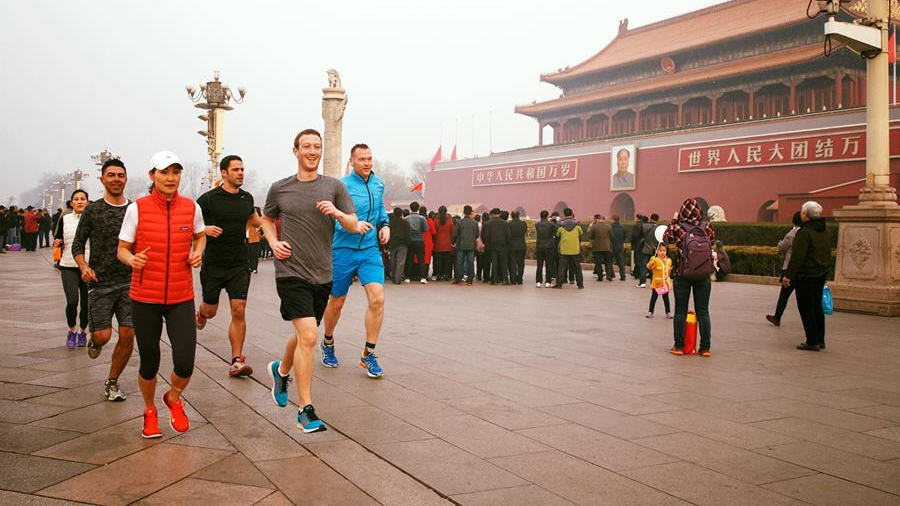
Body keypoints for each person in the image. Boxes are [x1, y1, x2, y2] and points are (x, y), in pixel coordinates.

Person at [263, 129, 360, 433]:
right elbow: (265, 217)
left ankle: (281, 371)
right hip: (291, 271)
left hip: (323, 273)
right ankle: (306, 410)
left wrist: (336, 212)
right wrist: (274, 241)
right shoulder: (280, 188)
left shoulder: (333, 186)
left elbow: (353, 223)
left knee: (305, 333)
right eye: (306, 146)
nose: (312, 151)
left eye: (317, 147)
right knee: (308, 336)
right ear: (295, 151)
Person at [117, 151, 206, 438]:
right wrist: (132, 261)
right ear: (152, 175)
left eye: (176, 172)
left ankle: (174, 397)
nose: (170, 178)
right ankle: (149, 411)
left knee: (184, 361)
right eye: (164, 172)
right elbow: (122, 249)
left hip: (181, 295)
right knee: (150, 361)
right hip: (145, 297)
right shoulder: (137, 209)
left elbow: (200, 235)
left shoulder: (191, 208)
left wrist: (197, 252)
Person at [321, 143, 389, 378]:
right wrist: (351, 225)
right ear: (352, 162)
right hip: (343, 249)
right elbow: (333, 217)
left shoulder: (379, 184)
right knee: (337, 302)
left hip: (370, 250)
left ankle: (368, 354)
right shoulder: (341, 186)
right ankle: (328, 342)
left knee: (377, 298)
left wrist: (385, 226)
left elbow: (380, 210)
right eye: (362, 159)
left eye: (370, 158)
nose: (367, 163)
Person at [72, 159, 135, 402]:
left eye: (121, 175)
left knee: (129, 333)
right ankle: (94, 340)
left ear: (126, 179)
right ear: (102, 180)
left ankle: (112, 382)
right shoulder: (93, 210)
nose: (116, 179)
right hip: (100, 282)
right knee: (103, 336)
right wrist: (83, 266)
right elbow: (78, 244)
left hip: (130, 281)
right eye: (111, 175)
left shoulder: (134, 210)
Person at [195, 155, 262, 378]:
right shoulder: (208, 199)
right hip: (214, 264)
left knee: (239, 309)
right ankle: (201, 313)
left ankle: (236, 360)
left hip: (238, 264)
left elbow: (256, 220)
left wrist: (269, 228)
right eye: (236, 170)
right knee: (211, 311)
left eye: (242, 169)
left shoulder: (246, 198)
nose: (241, 173)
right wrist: (205, 230)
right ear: (224, 173)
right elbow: (188, 223)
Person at [663, 198, 716, 357]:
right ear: (699, 212)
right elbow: (711, 242)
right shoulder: (707, 226)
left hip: (682, 274)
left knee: (680, 311)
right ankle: (705, 348)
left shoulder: (677, 227)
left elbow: (665, 239)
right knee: (703, 312)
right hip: (703, 275)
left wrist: (673, 220)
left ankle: (679, 346)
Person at [783, 201, 830, 351]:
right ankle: (820, 339)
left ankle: (812, 340)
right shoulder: (824, 230)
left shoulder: (804, 232)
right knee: (817, 306)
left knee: (806, 307)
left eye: (803, 212)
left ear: (806, 215)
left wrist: (788, 275)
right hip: (820, 273)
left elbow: (797, 256)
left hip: (806, 275)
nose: (801, 214)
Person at [54, 189, 90, 349]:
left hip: (88, 267)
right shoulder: (65, 219)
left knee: (86, 303)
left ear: (87, 202)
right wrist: (57, 243)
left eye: (83, 199)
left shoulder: (93, 219)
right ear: (72, 202)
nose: (80, 201)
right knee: (72, 301)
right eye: (76, 199)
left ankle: (82, 331)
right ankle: (71, 330)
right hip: (68, 265)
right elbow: (59, 237)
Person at [767, 212, 803, 327]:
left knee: (784, 295)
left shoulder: (792, 233)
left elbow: (782, 247)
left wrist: (779, 242)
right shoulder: (809, 232)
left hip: (790, 269)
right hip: (804, 270)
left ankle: (777, 317)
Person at [553, 208, 584, 289]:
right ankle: (580, 285)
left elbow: (557, 234)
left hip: (564, 249)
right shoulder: (577, 224)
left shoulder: (560, 224)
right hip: (575, 249)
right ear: (572, 213)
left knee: (562, 267)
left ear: (564, 214)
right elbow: (581, 233)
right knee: (577, 268)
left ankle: (559, 284)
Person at [481, 208, 511, 285]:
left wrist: (486, 243)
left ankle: (494, 280)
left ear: (492, 214)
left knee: (494, 263)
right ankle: (505, 280)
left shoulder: (487, 223)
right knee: (503, 263)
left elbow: (485, 236)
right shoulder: (505, 223)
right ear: (500, 214)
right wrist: (507, 244)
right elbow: (508, 235)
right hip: (503, 246)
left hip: (492, 246)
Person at [452, 205, 479, 285]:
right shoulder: (475, 222)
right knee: (470, 262)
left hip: (461, 245)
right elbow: (477, 235)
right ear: (471, 212)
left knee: (459, 262)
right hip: (471, 245)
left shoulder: (459, 222)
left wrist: (453, 242)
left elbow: (455, 234)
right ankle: (470, 280)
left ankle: (458, 278)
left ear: (463, 212)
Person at [646, 243, 673, 318]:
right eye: (660, 251)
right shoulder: (654, 259)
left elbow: (669, 271)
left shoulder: (669, 260)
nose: (662, 252)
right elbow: (649, 266)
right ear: (656, 251)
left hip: (665, 284)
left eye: (664, 250)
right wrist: (650, 264)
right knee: (654, 297)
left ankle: (668, 312)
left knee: (666, 298)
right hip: (657, 283)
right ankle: (650, 311)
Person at [404, 201, 429, 283]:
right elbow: (426, 229)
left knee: (409, 260)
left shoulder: (406, 218)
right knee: (421, 260)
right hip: (419, 240)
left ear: (410, 208)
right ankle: (423, 277)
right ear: (418, 208)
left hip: (410, 241)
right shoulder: (422, 218)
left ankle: (408, 277)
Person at [588, 214, 613, 281]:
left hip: (597, 247)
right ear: (603, 220)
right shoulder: (609, 227)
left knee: (598, 262)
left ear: (598, 219)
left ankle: (600, 277)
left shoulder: (594, 227)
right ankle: (609, 275)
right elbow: (612, 236)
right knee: (608, 262)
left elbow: (591, 237)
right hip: (607, 247)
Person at [387, 207, 410, 284]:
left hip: (392, 244)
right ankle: (397, 279)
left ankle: (393, 277)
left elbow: (388, 234)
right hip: (403, 244)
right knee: (400, 262)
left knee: (392, 261)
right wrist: (408, 243)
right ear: (401, 214)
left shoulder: (390, 223)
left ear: (393, 214)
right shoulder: (405, 223)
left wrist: (386, 245)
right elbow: (408, 234)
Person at [534, 210, 556, 287]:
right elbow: (554, 235)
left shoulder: (537, 224)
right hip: (549, 247)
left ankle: (538, 281)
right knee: (549, 264)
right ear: (547, 216)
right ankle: (548, 282)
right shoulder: (551, 225)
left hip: (539, 246)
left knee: (539, 265)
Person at [432, 205, 454, 281]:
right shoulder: (450, 220)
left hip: (438, 243)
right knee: (447, 260)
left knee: (438, 260)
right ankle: (447, 275)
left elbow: (434, 232)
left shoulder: (435, 220)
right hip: (447, 243)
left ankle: (438, 274)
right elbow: (452, 232)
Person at [639, 214, 660, 287]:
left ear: (650, 218)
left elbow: (640, 237)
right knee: (653, 266)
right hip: (654, 249)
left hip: (645, 248)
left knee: (643, 266)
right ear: (657, 220)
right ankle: (652, 282)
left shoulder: (644, 226)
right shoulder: (658, 228)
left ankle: (642, 282)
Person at [508, 210, 527, 284]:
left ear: (512, 216)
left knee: (512, 263)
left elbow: (508, 235)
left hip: (512, 246)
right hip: (522, 245)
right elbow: (524, 232)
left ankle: (513, 279)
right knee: (521, 263)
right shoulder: (524, 224)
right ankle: (519, 279)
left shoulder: (509, 224)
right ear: (519, 215)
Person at [611, 215, 627, 281]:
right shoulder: (622, 227)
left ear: (613, 219)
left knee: (609, 261)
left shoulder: (610, 227)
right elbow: (625, 237)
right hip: (620, 246)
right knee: (621, 262)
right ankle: (623, 276)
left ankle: (611, 274)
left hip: (612, 246)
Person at [247, 207, 262, 274]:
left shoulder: (257, 220)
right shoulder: (247, 219)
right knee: (249, 254)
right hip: (247, 238)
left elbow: (260, 227)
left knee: (254, 255)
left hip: (254, 239)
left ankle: (254, 268)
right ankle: (250, 267)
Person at [630, 214, 645, 280]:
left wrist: (632, 243)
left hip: (637, 245)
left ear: (637, 218)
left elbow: (634, 236)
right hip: (643, 245)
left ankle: (637, 274)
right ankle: (638, 273)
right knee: (642, 260)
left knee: (637, 259)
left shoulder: (636, 226)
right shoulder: (644, 225)